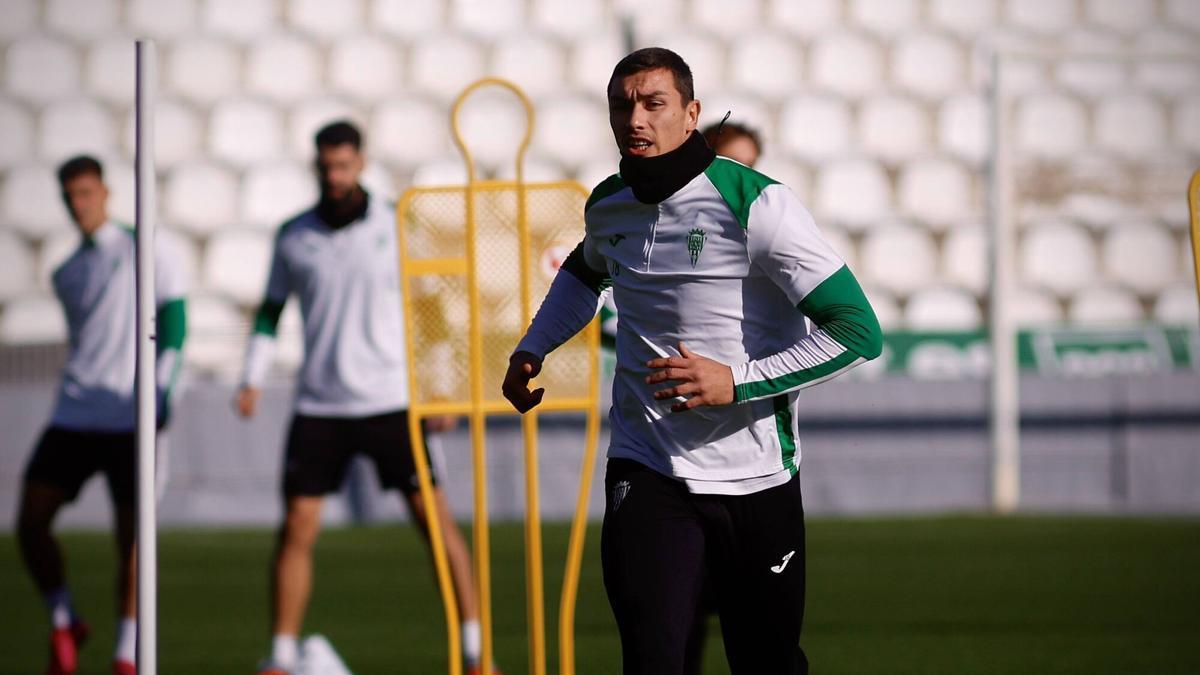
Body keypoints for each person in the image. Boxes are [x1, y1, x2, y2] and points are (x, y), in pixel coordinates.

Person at [502, 48, 882, 674]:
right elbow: (584, 271)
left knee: (768, 664)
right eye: (622, 106)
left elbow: (858, 332)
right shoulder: (609, 204)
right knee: (653, 661)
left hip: (755, 480)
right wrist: (533, 345)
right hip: (647, 467)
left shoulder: (757, 203)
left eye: (654, 104)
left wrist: (735, 382)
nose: (636, 120)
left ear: (691, 112)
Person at [235, 121, 490, 675]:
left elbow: (434, 312)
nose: (335, 176)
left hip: (392, 399)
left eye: (344, 165)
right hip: (321, 403)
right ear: (316, 166)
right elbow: (270, 311)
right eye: (326, 167)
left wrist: (442, 387)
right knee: (297, 526)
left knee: (434, 523)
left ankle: (474, 652)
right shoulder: (293, 235)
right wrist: (251, 376)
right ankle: (280, 656)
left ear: (361, 163)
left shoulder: (398, 222)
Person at [16, 155, 188, 675]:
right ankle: (64, 617)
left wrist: (158, 393)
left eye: (86, 193)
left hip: (127, 414)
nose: (79, 204)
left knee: (132, 539)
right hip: (74, 410)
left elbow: (176, 323)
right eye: (70, 196)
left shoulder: (148, 246)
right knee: (30, 522)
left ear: (106, 193)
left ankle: (126, 652)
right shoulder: (67, 271)